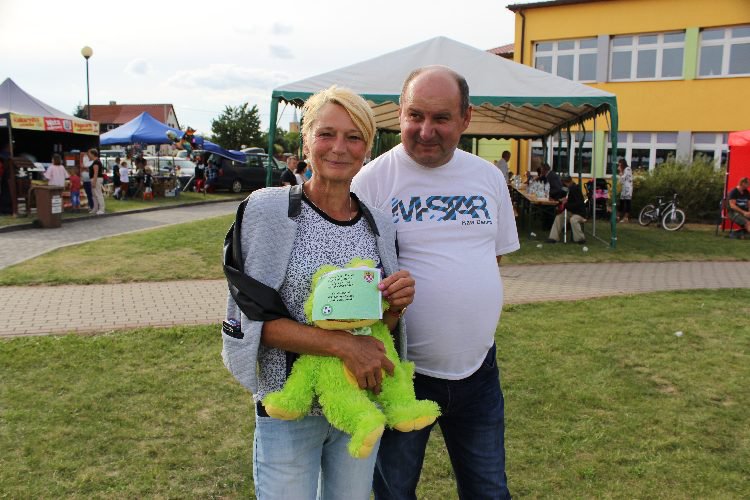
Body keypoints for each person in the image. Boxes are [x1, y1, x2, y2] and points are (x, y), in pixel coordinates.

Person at [222, 85, 416, 500]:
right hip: (289, 408)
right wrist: (342, 346)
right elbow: (250, 318)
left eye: (353, 137)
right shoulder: (268, 211)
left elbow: (374, 326)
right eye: (326, 133)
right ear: (306, 142)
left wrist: (395, 306)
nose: (339, 148)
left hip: (358, 403)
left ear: (367, 148)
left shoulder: (379, 224)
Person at [351, 65, 519, 500]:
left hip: (479, 371)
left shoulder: (488, 177)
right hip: (402, 374)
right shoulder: (371, 181)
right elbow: (352, 278)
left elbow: (493, 255)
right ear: (400, 114)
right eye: (415, 115)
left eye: (441, 118)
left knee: (489, 490)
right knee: (394, 492)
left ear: (465, 118)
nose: (426, 131)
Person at [546, 175, 587, 244]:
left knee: (573, 220)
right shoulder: (570, 188)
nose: (564, 185)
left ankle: (580, 239)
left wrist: (565, 204)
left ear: (568, 182)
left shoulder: (575, 189)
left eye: (565, 183)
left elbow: (578, 204)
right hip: (571, 211)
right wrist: (560, 200)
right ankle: (553, 237)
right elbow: (566, 198)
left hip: (579, 213)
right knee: (558, 218)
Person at [87, 148, 105, 215]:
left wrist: (94, 182)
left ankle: (102, 209)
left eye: (89, 154)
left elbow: (96, 173)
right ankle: (95, 208)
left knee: (98, 194)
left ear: (93, 154)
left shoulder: (96, 162)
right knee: (94, 195)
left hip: (96, 179)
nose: (88, 155)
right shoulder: (95, 161)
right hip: (94, 179)